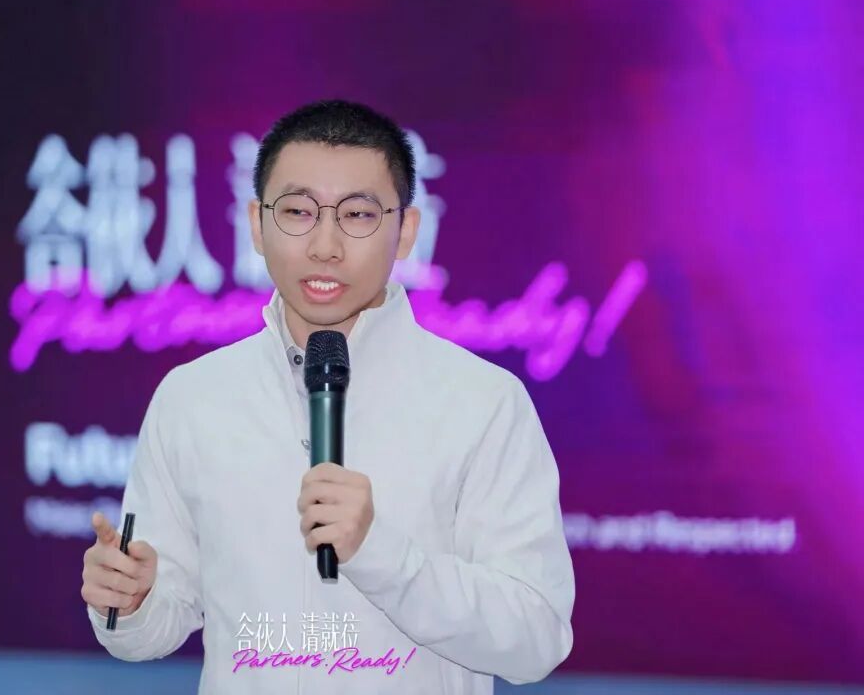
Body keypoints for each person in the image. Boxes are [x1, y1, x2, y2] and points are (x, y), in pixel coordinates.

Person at [81, 99, 574, 694]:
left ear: (405, 231)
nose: (325, 245)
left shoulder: (483, 402)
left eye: (358, 215)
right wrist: (132, 601)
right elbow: (157, 623)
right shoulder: (193, 396)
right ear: (257, 224)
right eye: (297, 211)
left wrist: (381, 553)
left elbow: (535, 638)